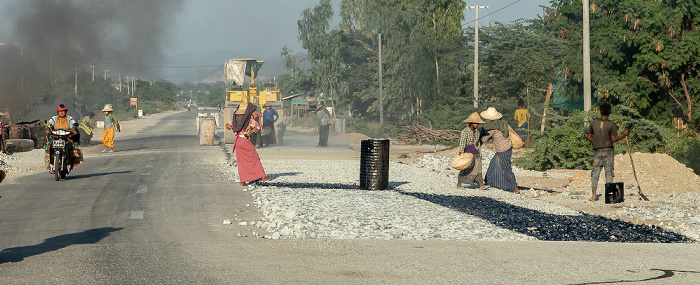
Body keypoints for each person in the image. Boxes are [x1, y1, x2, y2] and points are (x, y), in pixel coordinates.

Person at [586, 103, 629, 202]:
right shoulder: (611, 124)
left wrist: (597, 142)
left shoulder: (593, 123)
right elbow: (613, 139)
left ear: (600, 111)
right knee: (609, 173)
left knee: (595, 172)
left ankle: (593, 196)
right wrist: (623, 134)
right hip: (608, 151)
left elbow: (589, 137)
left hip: (597, 151)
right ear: (610, 112)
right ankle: (609, 197)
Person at [225, 102, 268, 186]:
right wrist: (250, 132)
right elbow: (257, 127)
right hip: (245, 140)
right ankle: (262, 176)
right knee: (254, 157)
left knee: (241, 161)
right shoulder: (249, 120)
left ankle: (243, 181)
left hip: (238, 141)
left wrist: (236, 128)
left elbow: (227, 126)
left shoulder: (235, 119)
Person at [480, 107, 519, 193]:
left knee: (506, 168)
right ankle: (489, 182)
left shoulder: (492, 128)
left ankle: (514, 188)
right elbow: (512, 132)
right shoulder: (504, 123)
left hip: (502, 150)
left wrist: (477, 142)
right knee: (493, 164)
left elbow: (485, 138)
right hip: (508, 147)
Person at [457, 112, 485, 189]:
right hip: (468, 153)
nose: (477, 125)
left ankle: (481, 184)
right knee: (466, 168)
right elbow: (462, 142)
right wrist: (461, 151)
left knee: (478, 168)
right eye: (475, 123)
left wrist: (480, 152)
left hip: (476, 152)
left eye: (478, 123)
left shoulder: (477, 132)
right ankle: (459, 183)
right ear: (471, 123)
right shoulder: (465, 131)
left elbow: (477, 144)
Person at [46, 104, 79, 169]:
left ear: (66, 111)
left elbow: (73, 124)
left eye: (63, 111)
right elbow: (49, 124)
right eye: (60, 111)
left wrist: (73, 129)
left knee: (72, 145)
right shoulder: (54, 118)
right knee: (49, 147)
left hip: (67, 136)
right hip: (56, 136)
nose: (62, 112)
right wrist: (47, 128)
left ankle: (72, 161)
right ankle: (49, 163)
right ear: (57, 112)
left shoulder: (69, 118)